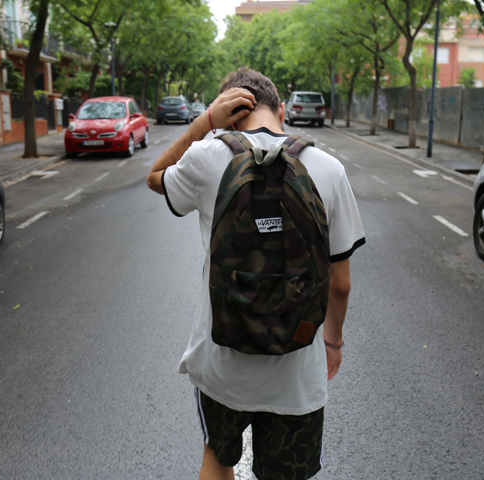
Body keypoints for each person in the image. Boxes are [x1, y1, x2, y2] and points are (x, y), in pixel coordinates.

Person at [147, 67, 365, 480]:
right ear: (281, 110)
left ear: (228, 113)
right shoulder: (329, 169)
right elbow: (340, 283)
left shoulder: (208, 158)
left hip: (222, 361)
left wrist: (204, 124)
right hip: (297, 371)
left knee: (218, 459)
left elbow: (154, 176)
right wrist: (332, 343)